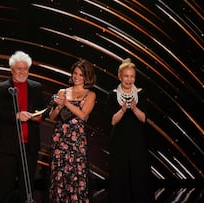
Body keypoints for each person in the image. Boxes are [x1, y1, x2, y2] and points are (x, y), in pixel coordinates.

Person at [0, 51, 47, 203]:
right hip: (8, 145)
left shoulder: (36, 87)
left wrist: (39, 116)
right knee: (5, 185)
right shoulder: (2, 88)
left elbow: (43, 111)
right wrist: (16, 115)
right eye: (19, 68)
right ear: (11, 69)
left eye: (25, 68)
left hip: (30, 144)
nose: (22, 72)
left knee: (27, 185)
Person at [48, 59, 96, 202]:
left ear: (87, 77)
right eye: (75, 73)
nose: (76, 77)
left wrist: (66, 103)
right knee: (59, 174)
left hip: (76, 141)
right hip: (60, 138)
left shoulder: (90, 94)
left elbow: (83, 115)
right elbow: (52, 117)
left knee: (76, 174)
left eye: (81, 75)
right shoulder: (62, 91)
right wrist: (58, 106)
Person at [107, 58, 153, 203]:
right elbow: (112, 121)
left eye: (132, 76)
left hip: (137, 143)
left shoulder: (141, 94)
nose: (129, 79)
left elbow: (144, 118)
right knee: (120, 175)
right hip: (119, 143)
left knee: (138, 175)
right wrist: (122, 110)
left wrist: (133, 108)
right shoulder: (112, 95)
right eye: (126, 76)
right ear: (120, 76)